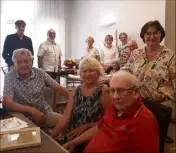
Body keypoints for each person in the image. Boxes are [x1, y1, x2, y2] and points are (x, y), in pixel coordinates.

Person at [63, 70, 159, 153]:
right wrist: (74, 142)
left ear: (136, 92)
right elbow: (99, 127)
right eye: (112, 91)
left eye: (121, 90)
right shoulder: (114, 107)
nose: (115, 97)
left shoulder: (145, 120)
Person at [3, 48, 70, 127]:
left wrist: (73, 100)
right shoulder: (10, 76)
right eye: (19, 62)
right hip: (21, 117)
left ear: (31, 61)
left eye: (26, 61)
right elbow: (7, 103)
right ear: (14, 64)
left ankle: (53, 137)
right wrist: (32, 111)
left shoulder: (40, 73)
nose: (23, 65)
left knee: (67, 123)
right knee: (29, 137)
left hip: (44, 114)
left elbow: (57, 87)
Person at [52, 57, 112, 143]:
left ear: (98, 73)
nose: (87, 74)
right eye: (84, 71)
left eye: (91, 71)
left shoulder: (104, 90)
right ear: (80, 73)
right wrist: (52, 136)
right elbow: (66, 117)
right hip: (73, 133)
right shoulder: (75, 91)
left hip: (94, 135)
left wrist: (86, 126)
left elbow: (109, 120)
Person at [122, 20, 175, 108]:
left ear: (161, 34)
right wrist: (112, 78)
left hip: (160, 106)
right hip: (136, 102)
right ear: (143, 36)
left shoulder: (170, 56)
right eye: (148, 33)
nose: (152, 37)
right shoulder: (136, 53)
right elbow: (126, 71)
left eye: (155, 33)